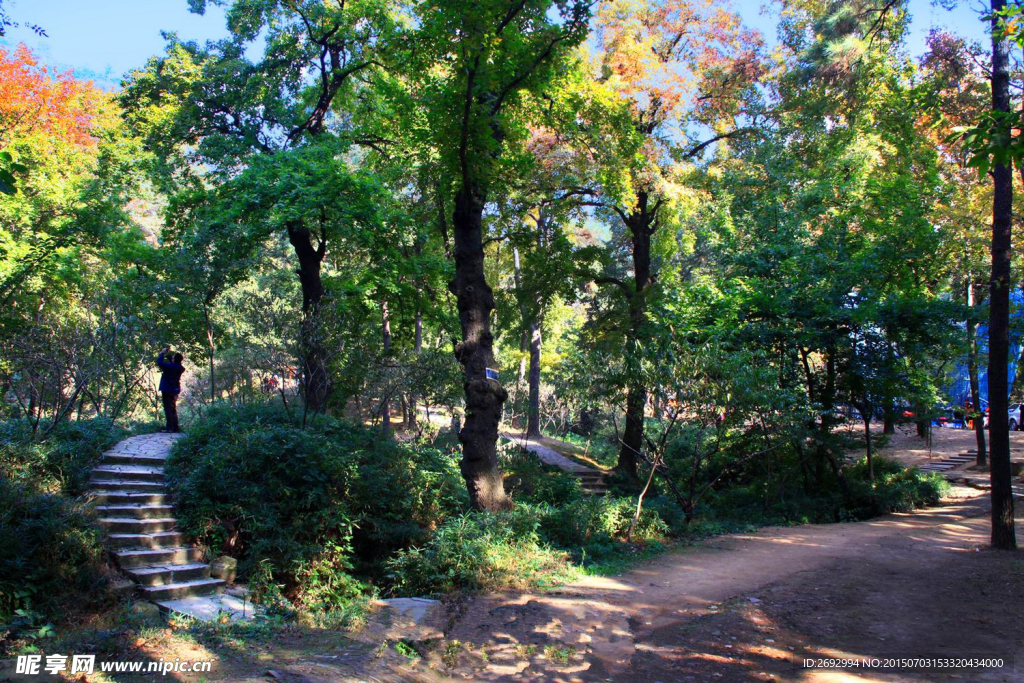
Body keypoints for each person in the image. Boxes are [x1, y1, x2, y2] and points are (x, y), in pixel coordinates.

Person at [156, 347, 185, 433]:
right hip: (174, 390)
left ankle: (170, 428)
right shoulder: (180, 368)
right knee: (173, 408)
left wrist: (162, 353)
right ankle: (175, 427)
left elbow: (160, 363)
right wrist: (170, 359)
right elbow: (173, 366)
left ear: (174, 359)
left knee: (168, 409)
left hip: (167, 389)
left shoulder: (170, 367)